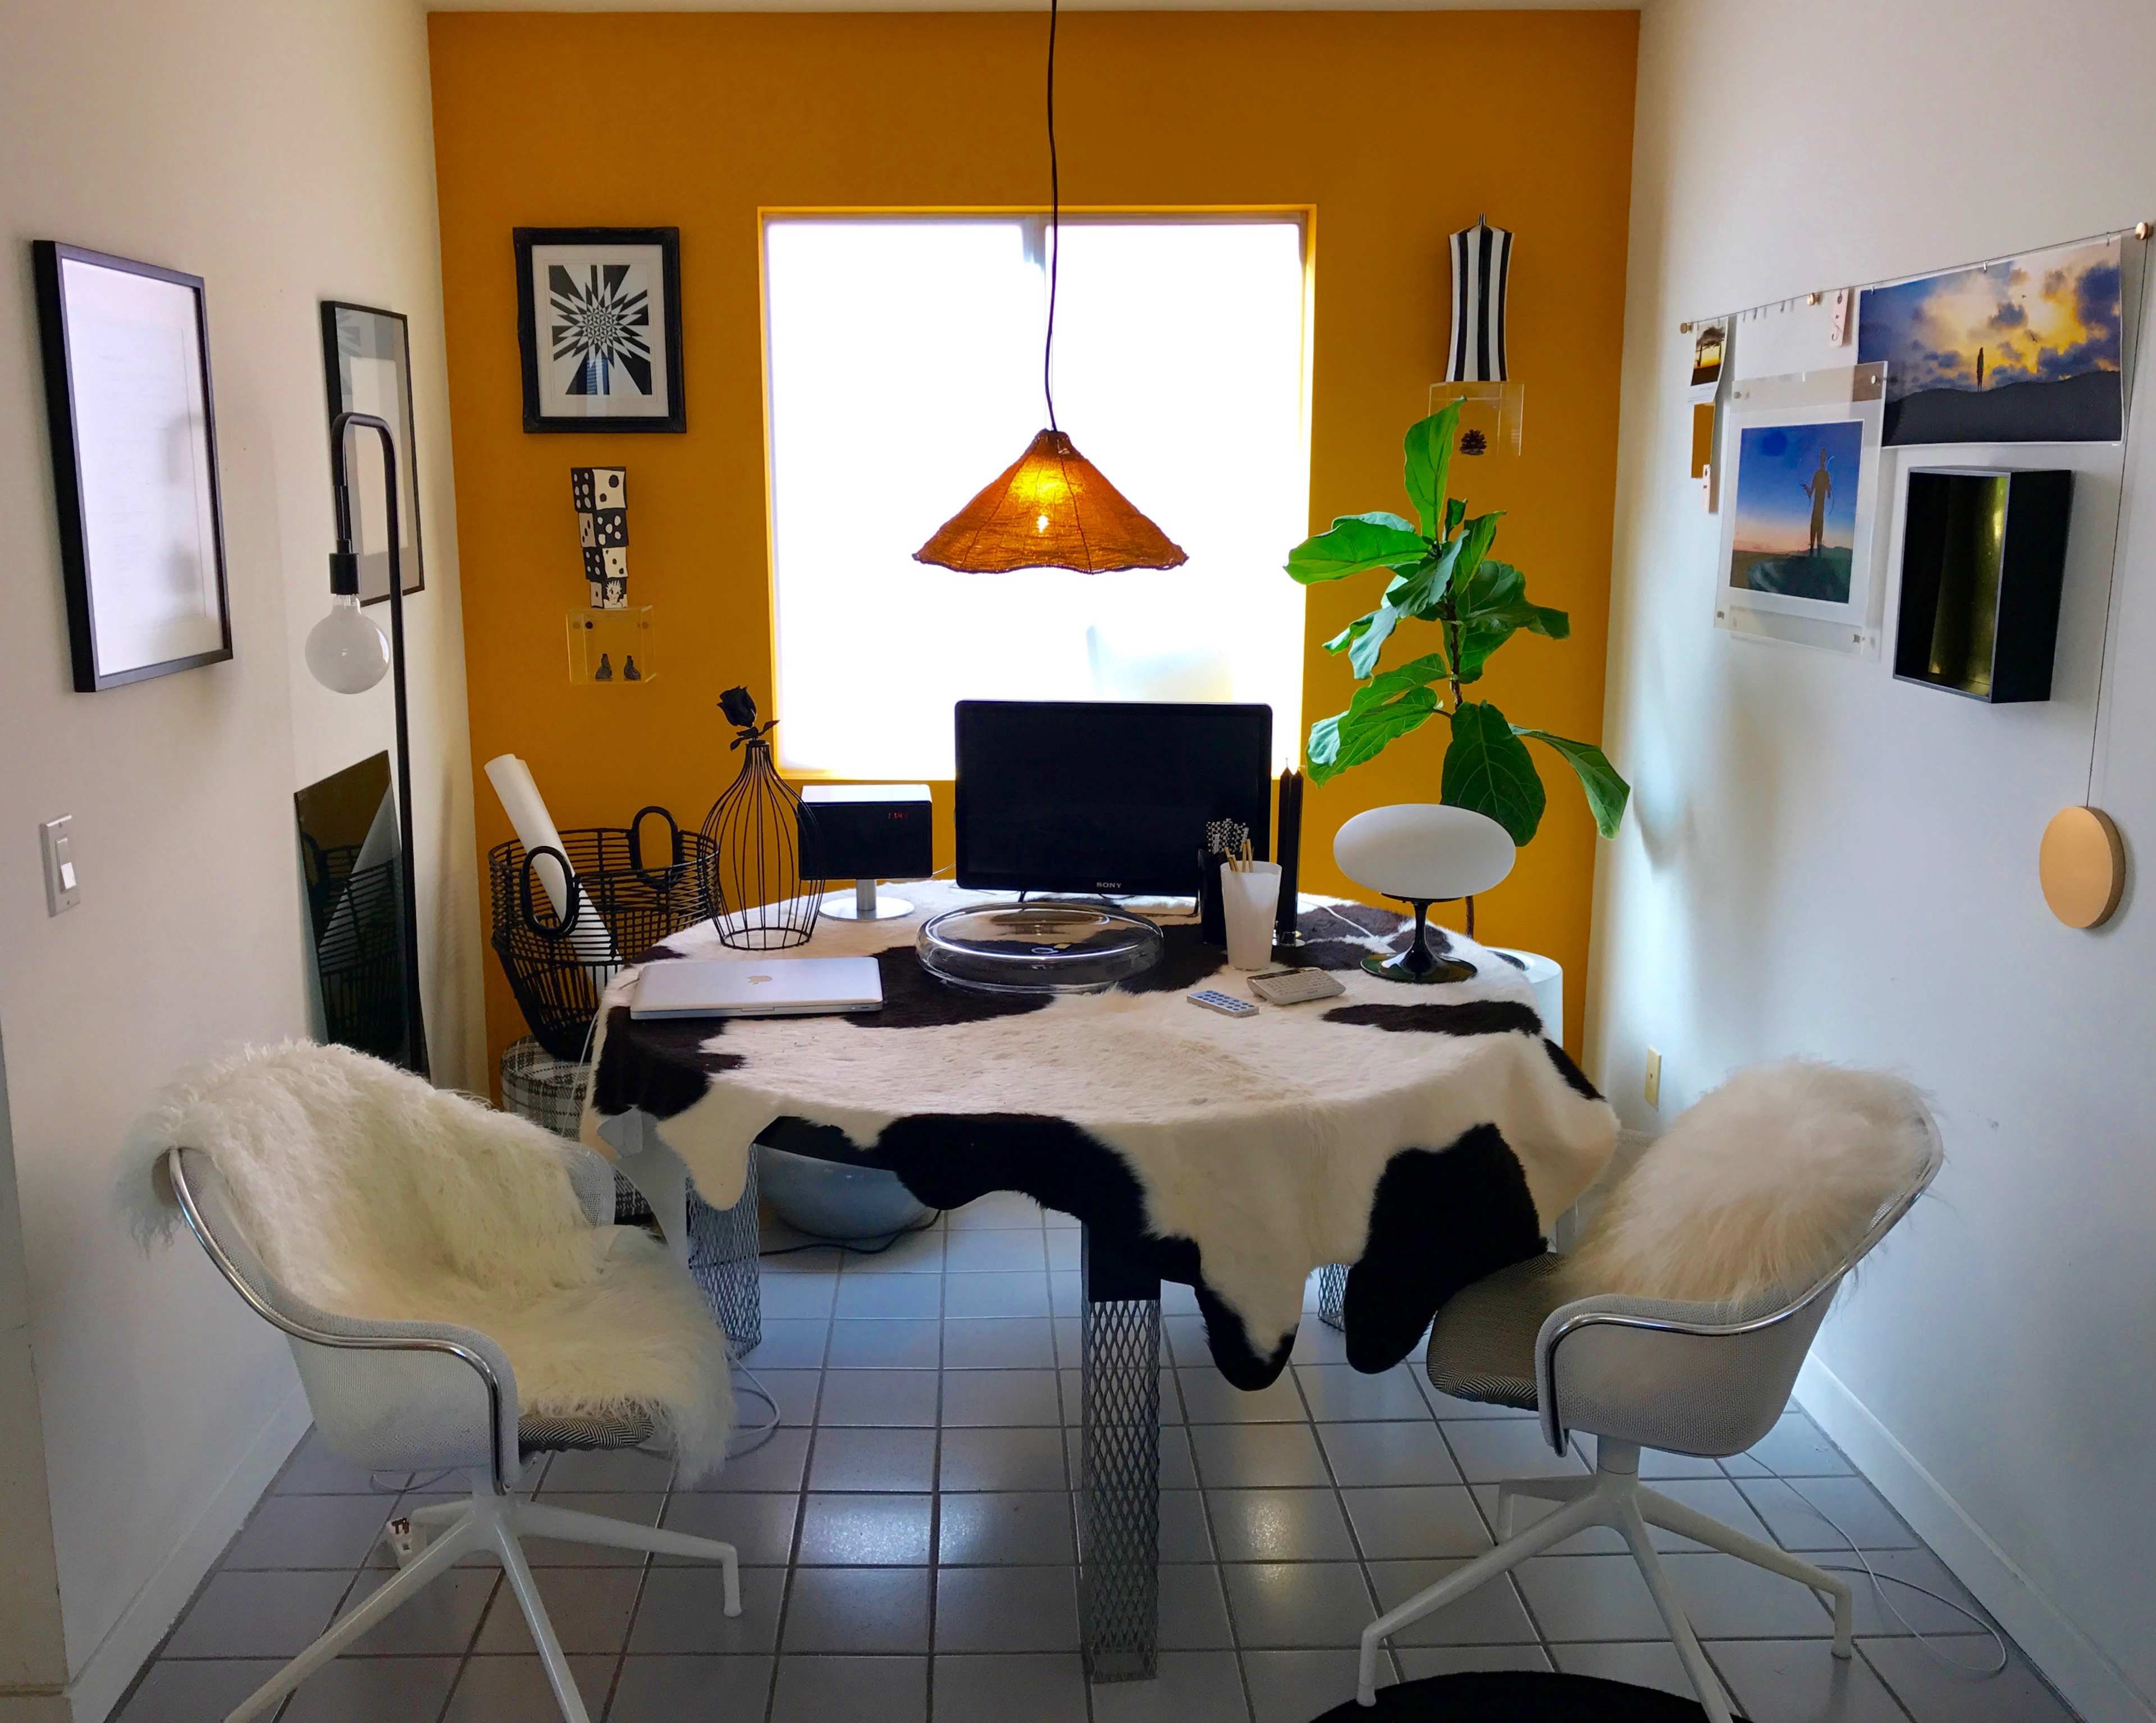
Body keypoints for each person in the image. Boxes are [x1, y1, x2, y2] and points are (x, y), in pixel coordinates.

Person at [1799, 449, 1834, 556]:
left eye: (1824, 457)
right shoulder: (1818, 474)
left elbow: (1828, 495)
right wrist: (1806, 488)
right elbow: (1811, 493)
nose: (1823, 460)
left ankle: (1817, 552)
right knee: (1814, 527)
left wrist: (1829, 488)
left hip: (1820, 509)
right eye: (1822, 457)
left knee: (1818, 528)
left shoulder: (1826, 475)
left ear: (1825, 459)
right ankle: (1812, 552)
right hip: (1817, 508)